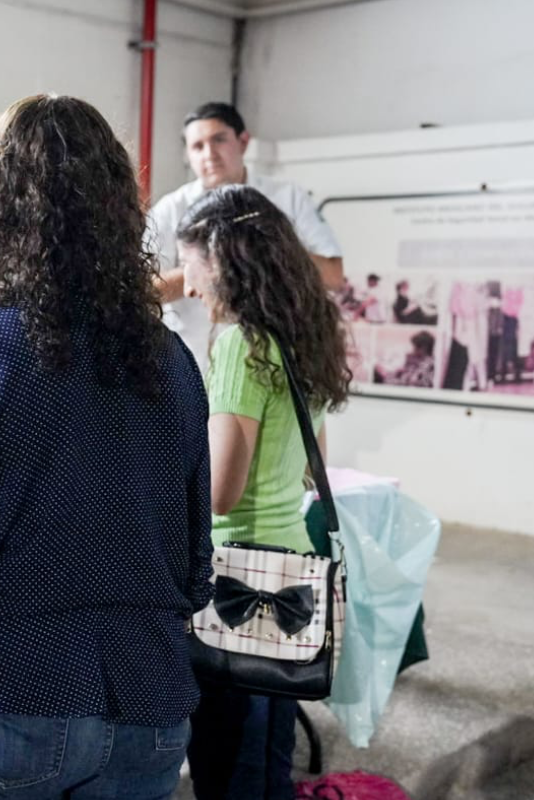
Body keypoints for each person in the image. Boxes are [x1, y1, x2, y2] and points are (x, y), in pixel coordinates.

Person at [0, 94, 213, 799]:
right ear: (120, 213)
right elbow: (193, 565)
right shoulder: (173, 361)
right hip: (150, 707)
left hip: (14, 705)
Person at [175, 184, 351, 799]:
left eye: (191, 267)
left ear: (223, 259)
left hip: (233, 583)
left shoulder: (241, 346)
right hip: (291, 575)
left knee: (224, 765)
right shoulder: (307, 337)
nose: (190, 287)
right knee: (269, 762)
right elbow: (312, 468)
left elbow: (221, 492)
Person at [148, 101, 344, 365]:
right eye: (197, 146)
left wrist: (267, 248)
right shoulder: (170, 209)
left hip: (277, 360)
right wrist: (210, 264)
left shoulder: (288, 198)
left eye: (219, 140)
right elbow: (146, 292)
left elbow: (332, 275)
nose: (209, 154)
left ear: (243, 142)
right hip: (196, 368)